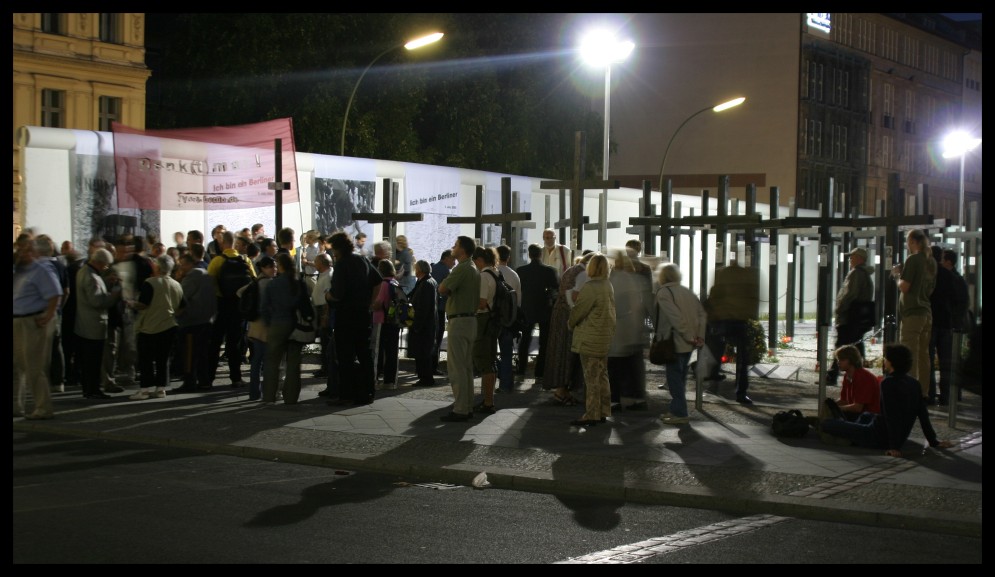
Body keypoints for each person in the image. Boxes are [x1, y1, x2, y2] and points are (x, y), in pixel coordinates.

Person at [820, 343, 954, 457]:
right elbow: (922, 414)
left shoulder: (888, 383)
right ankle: (851, 432)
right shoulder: (914, 383)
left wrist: (894, 446)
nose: (884, 361)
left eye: (886, 358)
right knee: (866, 416)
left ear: (891, 362)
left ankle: (848, 435)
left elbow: (891, 414)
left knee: (827, 424)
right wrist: (933, 440)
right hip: (893, 432)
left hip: (878, 434)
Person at [325, 231, 382, 407]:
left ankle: (346, 394)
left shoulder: (342, 265)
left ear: (337, 249)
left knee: (345, 356)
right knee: (365, 354)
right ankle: (368, 392)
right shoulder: (362, 259)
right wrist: (371, 303)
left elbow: (337, 294)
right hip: (363, 314)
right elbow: (378, 281)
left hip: (346, 315)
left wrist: (327, 296)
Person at [13, 236, 63, 419]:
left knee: (34, 366)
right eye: (20, 249)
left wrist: (48, 315)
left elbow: (56, 293)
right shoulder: (20, 270)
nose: (22, 252)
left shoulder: (41, 269)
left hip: (31, 321)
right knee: (16, 365)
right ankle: (16, 406)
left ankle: (43, 407)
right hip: (17, 320)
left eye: (26, 249)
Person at [653, 263, 707, 425]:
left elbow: (674, 317)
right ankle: (676, 409)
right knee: (681, 376)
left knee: (674, 377)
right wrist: (699, 336)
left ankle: (680, 412)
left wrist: (688, 335)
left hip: (675, 340)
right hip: (689, 343)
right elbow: (702, 314)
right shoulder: (687, 291)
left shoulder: (664, 293)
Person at [567, 253, 616, 427]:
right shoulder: (607, 285)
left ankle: (592, 414)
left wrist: (570, 323)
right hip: (603, 336)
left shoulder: (590, 287)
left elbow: (579, 310)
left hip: (590, 337)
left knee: (591, 377)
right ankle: (604, 410)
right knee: (602, 375)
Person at [703, 260, 760, 404]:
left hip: (721, 319)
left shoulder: (721, 274)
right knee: (742, 359)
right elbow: (753, 299)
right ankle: (741, 392)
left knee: (716, 352)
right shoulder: (747, 276)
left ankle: (711, 379)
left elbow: (714, 295)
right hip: (739, 321)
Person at [129, 255, 185, 400]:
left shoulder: (150, 282)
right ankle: (160, 388)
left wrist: (131, 303)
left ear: (158, 267)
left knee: (146, 359)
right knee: (163, 358)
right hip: (170, 325)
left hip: (150, 326)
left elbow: (144, 304)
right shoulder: (176, 284)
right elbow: (181, 307)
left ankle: (145, 389)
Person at [437, 236, 480, 422]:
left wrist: (446, 285)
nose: (452, 247)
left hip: (460, 321)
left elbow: (442, 289)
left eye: (455, 245)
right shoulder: (473, 268)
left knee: (457, 368)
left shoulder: (462, 268)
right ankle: (467, 406)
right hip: (470, 320)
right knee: (466, 367)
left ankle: (461, 408)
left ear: (462, 249)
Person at [207, 230, 257, 388]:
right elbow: (254, 281)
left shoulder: (217, 261)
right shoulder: (245, 260)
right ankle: (236, 378)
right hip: (238, 307)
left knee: (215, 343)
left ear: (222, 243)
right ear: (235, 243)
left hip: (221, 306)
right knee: (234, 343)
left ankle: (208, 379)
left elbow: (209, 284)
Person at [545, 252, 595, 405]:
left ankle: (561, 390)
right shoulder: (583, 274)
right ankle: (562, 391)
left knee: (560, 351)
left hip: (559, 315)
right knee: (568, 353)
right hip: (569, 316)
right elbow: (574, 297)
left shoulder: (571, 270)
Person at [73, 248, 123, 400]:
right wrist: (114, 295)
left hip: (83, 323)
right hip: (94, 324)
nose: (106, 268)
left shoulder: (83, 271)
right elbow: (97, 301)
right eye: (105, 265)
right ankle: (93, 390)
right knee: (93, 360)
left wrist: (106, 282)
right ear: (100, 262)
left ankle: (89, 389)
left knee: (88, 360)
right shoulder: (92, 277)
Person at [607, 249, 654, 411]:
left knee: (614, 367)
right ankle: (637, 398)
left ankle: (614, 399)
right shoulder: (635, 280)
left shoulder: (612, 280)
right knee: (634, 367)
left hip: (617, 331)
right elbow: (640, 306)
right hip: (633, 331)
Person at [260, 253, 307, 405]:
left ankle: (269, 396)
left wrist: (268, 323)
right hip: (295, 325)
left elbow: (265, 307)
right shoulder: (298, 282)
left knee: (272, 362)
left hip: (277, 324)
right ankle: (291, 397)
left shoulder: (273, 284)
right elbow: (306, 305)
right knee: (293, 363)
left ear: (280, 266)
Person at [894, 228, 936, 394]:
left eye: (908, 242)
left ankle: (908, 392)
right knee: (923, 355)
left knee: (909, 354)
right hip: (926, 312)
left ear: (913, 241)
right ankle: (923, 392)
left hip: (912, 313)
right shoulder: (931, 261)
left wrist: (898, 275)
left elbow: (905, 287)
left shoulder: (913, 259)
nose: (907, 245)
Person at [826, 247, 875, 385]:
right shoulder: (865, 274)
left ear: (860, 258)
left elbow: (849, 294)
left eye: (852, 257)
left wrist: (840, 309)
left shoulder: (856, 274)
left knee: (841, 346)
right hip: (858, 318)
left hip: (849, 317)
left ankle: (832, 375)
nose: (849, 259)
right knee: (856, 346)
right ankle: (860, 376)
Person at [172, 253, 217, 393]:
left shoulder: (192, 276)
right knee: (203, 353)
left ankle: (190, 381)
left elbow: (181, 297)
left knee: (190, 354)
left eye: (183, 264)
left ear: (190, 264)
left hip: (192, 322)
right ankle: (204, 381)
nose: (181, 267)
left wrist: (178, 280)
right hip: (207, 320)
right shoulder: (206, 274)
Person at [515, 243, 559, 386]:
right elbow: (555, 289)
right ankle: (539, 373)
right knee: (543, 342)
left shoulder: (521, 271)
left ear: (529, 254)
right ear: (541, 254)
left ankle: (520, 370)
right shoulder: (549, 271)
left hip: (527, 308)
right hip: (544, 309)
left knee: (525, 341)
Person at [240, 256, 276, 401]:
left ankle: (254, 392)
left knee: (256, 361)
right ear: (263, 268)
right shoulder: (268, 284)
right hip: (265, 326)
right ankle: (267, 392)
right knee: (266, 361)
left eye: (275, 266)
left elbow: (239, 292)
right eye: (271, 267)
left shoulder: (255, 282)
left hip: (254, 325)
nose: (274, 269)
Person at [470, 246, 501, 414]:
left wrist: (469, 308)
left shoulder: (484, 276)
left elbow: (481, 303)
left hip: (483, 319)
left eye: (475, 262)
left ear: (479, 260)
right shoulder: (496, 273)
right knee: (490, 360)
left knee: (483, 360)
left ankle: (488, 401)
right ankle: (489, 399)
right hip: (493, 319)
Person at [940, 249, 969, 406]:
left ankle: (950, 396)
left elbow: (956, 304)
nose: (940, 262)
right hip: (954, 325)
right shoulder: (957, 278)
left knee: (949, 360)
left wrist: (952, 322)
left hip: (952, 326)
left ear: (948, 262)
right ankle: (952, 395)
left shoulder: (953, 279)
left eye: (942, 259)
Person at [927, 245, 954, 405]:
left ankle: (929, 395)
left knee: (928, 360)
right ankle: (946, 396)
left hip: (931, 321)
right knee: (946, 362)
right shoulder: (948, 274)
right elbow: (954, 297)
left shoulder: (928, 273)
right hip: (945, 322)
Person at [825, 344, 880, 419]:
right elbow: (844, 400)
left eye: (842, 360)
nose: (838, 362)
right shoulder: (848, 376)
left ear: (851, 360)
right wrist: (830, 406)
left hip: (869, 418)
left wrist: (837, 409)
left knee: (830, 424)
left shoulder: (863, 377)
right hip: (858, 415)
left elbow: (858, 408)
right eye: (838, 360)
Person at [494, 245, 522, 393]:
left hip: (493, 319)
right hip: (509, 320)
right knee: (507, 353)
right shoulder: (514, 275)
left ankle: (498, 376)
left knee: (489, 352)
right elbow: (518, 301)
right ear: (509, 257)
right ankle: (506, 383)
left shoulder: (491, 273)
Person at [408, 260, 439, 387]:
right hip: (428, 323)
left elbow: (423, 307)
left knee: (422, 351)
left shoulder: (425, 284)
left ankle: (425, 377)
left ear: (419, 270)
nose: (414, 270)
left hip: (423, 324)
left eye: (415, 268)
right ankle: (425, 376)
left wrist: (417, 325)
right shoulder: (430, 281)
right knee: (424, 351)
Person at [373, 259, 401, 390]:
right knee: (392, 352)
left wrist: (369, 306)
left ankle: (375, 378)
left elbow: (379, 304)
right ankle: (390, 381)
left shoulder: (384, 284)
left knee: (378, 350)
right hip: (394, 321)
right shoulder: (395, 282)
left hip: (382, 320)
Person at [430, 249, 456, 375]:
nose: (454, 263)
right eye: (453, 260)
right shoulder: (446, 271)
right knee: (438, 338)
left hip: (432, 308)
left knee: (432, 337)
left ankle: (429, 365)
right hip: (440, 308)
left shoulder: (433, 267)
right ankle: (434, 366)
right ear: (446, 258)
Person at [311, 253, 334, 380]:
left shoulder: (329, 275)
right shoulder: (324, 274)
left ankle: (326, 368)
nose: (314, 264)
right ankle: (325, 367)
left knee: (326, 341)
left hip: (324, 311)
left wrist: (325, 315)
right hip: (320, 310)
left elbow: (328, 297)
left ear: (321, 263)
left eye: (316, 261)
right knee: (324, 340)